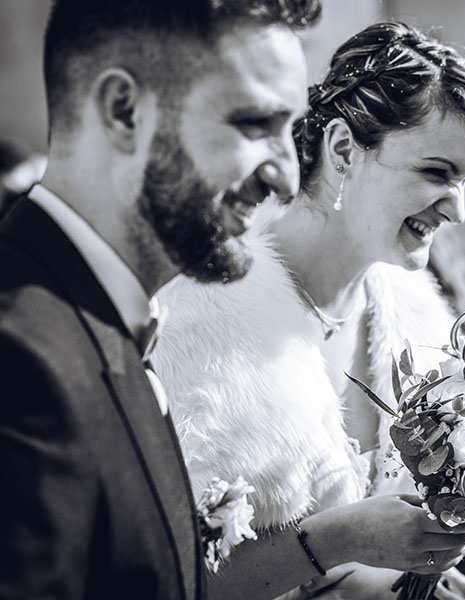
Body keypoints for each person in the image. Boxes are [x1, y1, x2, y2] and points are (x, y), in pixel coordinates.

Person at [152, 21, 465, 599]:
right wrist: (332, 540)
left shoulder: (423, 330)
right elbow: (164, 573)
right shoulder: (198, 317)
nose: (458, 209)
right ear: (344, 149)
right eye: (436, 172)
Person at [0, 0, 317, 597]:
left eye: (290, 131)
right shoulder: (19, 355)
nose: (288, 177)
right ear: (124, 111)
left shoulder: (112, 320)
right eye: (255, 124)